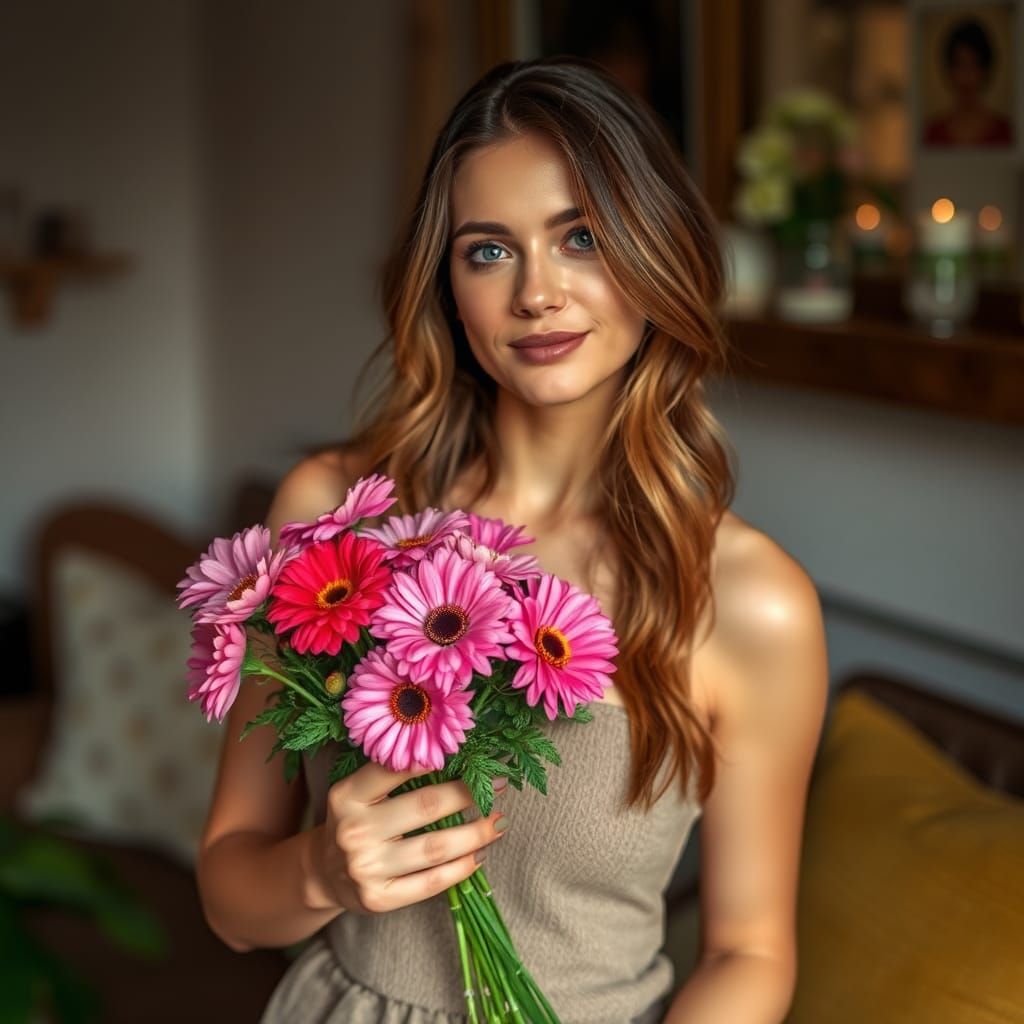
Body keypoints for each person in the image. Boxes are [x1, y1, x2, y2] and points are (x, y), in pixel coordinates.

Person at [195, 55, 828, 1024]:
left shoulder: (750, 600)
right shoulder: (332, 518)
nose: (536, 292)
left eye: (580, 237)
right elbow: (231, 901)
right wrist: (323, 867)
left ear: (653, 252)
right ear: (446, 286)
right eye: (487, 250)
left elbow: (749, 950)